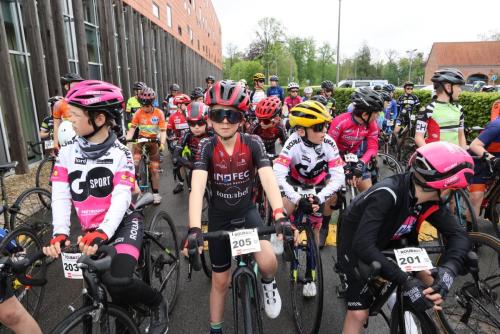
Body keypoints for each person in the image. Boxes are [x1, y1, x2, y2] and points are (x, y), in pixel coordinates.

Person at [44, 80, 168, 334]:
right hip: (92, 230)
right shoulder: (67, 153)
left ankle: (156, 302)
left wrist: (103, 232)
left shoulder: (120, 153)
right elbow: (60, 194)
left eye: (76, 115)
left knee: (118, 282)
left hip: (122, 224)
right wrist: (60, 231)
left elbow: (122, 198)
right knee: (94, 285)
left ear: (99, 118)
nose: (69, 122)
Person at [184, 80, 294, 334]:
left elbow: (267, 178)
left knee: (267, 262)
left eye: (231, 114)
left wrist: (278, 213)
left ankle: (267, 283)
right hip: (219, 218)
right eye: (217, 114)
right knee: (220, 281)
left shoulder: (253, 142)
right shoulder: (205, 146)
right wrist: (193, 229)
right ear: (209, 118)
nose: (224, 121)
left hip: (247, 213)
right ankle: (216, 329)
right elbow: (198, 188)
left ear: (242, 118)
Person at [338, 141, 473, 333]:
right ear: (442, 186)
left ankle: (415, 315)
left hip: (395, 240)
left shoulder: (427, 198)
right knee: (359, 313)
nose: (454, 194)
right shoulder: (387, 194)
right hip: (356, 245)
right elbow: (363, 245)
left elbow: (459, 234)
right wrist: (405, 280)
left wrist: (449, 270)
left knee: (430, 282)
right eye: (455, 189)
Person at [274, 100, 345, 258]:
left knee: (330, 202)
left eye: (326, 125)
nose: (325, 131)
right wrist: (297, 199)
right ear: (301, 131)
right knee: (285, 206)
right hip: (295, 182)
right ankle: (285, 234)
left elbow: (338, 176)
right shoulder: (293, 142)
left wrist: (320, 198)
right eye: (319, 128)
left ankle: (314, 261)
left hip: (317, 182)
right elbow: (278, 173)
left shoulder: (328, 142)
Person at [328, 88, 381, 194]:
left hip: (356, 154)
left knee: (368, 194)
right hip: (336, 154)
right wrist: (343, 165)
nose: (378, 116)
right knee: (331, 197)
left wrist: (361, 163)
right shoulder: (340, 121)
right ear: (365, 114)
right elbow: (329, 148)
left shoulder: (372, 124)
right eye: (376, 113)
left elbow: (373, 147)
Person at [126, 87, 167, 204]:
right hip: (141, 139)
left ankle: (155, 193)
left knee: (154, 169)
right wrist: (128, 139)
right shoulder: (138, 112)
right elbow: (132, 128)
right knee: (135, 162)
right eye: (143, 105)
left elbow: (163, 131)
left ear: (152, 103)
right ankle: (136, 187)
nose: (145, 108)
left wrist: (163, 143)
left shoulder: (159, 113)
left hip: (154, 140)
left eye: (148, 106)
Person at [415, 68, 466, 149]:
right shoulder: (427, 110)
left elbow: (461, 135)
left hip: (455, 157)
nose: (460, 90)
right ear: (448, 87)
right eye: (458, 86)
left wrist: (464, 155)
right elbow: (418, 137)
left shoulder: (459, 109)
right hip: (435, 157)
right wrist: (430, 155)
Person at [172, 102, 213, 190]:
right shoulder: (187, 134)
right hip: (195, 166)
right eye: (192, 123)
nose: (196, 127)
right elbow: (176, 154)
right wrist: (188, 164)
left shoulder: (213, 133)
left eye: (200, 122)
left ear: (207, 121)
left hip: (213, 165)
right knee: (193, 188)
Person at [468, 117, 500, 217]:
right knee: (476, 197)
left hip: (496, 160)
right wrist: (493, 159)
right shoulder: (497, 126)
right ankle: (469, 228)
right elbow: (474, 145)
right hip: (481, 162)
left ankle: (492, 203)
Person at [53, 73, 84, 150]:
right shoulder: (59, 104)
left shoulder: (84, 101)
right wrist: (55, 143)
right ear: (67, 86)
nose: (78, 86)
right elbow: (56, 125)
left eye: (79, 84)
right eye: (75, 84)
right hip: (68, 140)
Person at [168, 94, 191, 194]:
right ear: (178, 105)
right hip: (179, 142)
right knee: (177, 163)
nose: (187, 105)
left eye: (187, 103)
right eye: (185, 104)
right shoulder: (173, 117)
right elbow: (169, 130)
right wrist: (170, 137)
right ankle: (181, 183)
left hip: (191, 141)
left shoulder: (191, 113)